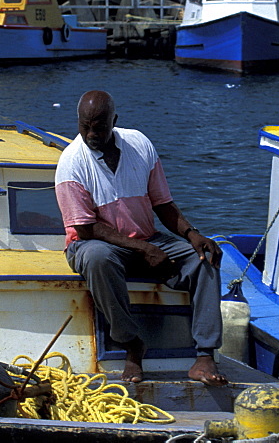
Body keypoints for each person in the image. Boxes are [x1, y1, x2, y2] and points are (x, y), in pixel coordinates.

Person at [55, 90, 227, 386]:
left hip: (145, 238)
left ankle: (204, 354)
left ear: (115, 121)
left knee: (205, 259)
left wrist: (191, 233)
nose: (92, 133)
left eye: (99, 126)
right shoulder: (71, 163)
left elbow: (162, 203)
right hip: (93, 243)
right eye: (85, 126)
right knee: (98, 258)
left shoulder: (140, 144)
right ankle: (131, 345)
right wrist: (143, 248)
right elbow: (86, 228)